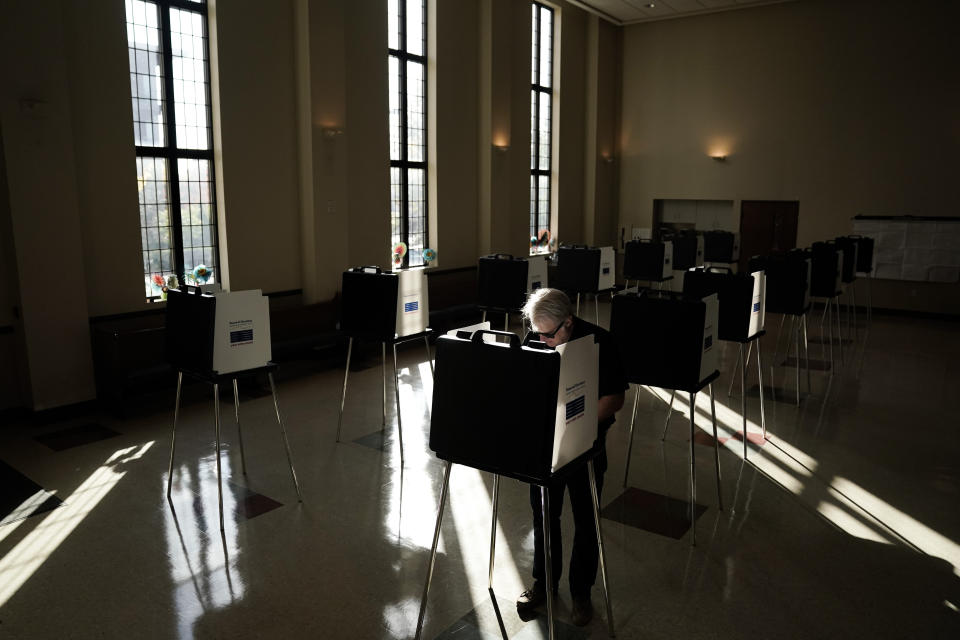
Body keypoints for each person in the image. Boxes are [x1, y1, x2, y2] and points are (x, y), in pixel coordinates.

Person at [516, 288, 627, 627]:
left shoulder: (600, 341)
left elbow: (614, 399)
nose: (543, 340)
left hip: (586, 443)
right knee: (544, 518)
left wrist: (574, 425)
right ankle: (543, 584)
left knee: (585, 519)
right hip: (545, 446)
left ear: (568, 322)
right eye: (538, 333)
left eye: (549, 334)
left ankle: (581, 592)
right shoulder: (537, 337)